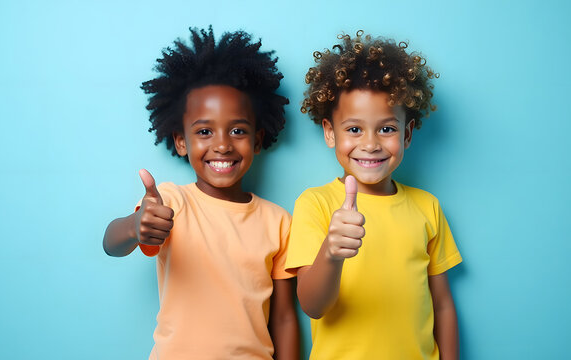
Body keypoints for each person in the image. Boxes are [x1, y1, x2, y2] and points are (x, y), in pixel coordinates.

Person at [103, 27, 299, 360]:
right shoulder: (170, 202)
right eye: (204, 131)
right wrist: (136, 225)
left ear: (256, 139)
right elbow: (111, 243)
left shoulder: (279, 222)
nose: (222, 145)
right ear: (182, 141)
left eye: (238, 130)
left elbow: (283, 318)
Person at [285, 31, 462, 359]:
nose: (370, 144)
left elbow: (443, 304)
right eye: (354, 129)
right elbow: (312, 306)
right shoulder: (315, 204)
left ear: (407, 134)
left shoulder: (428, 207)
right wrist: (331, 253)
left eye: (387, 128)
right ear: (329, 132)